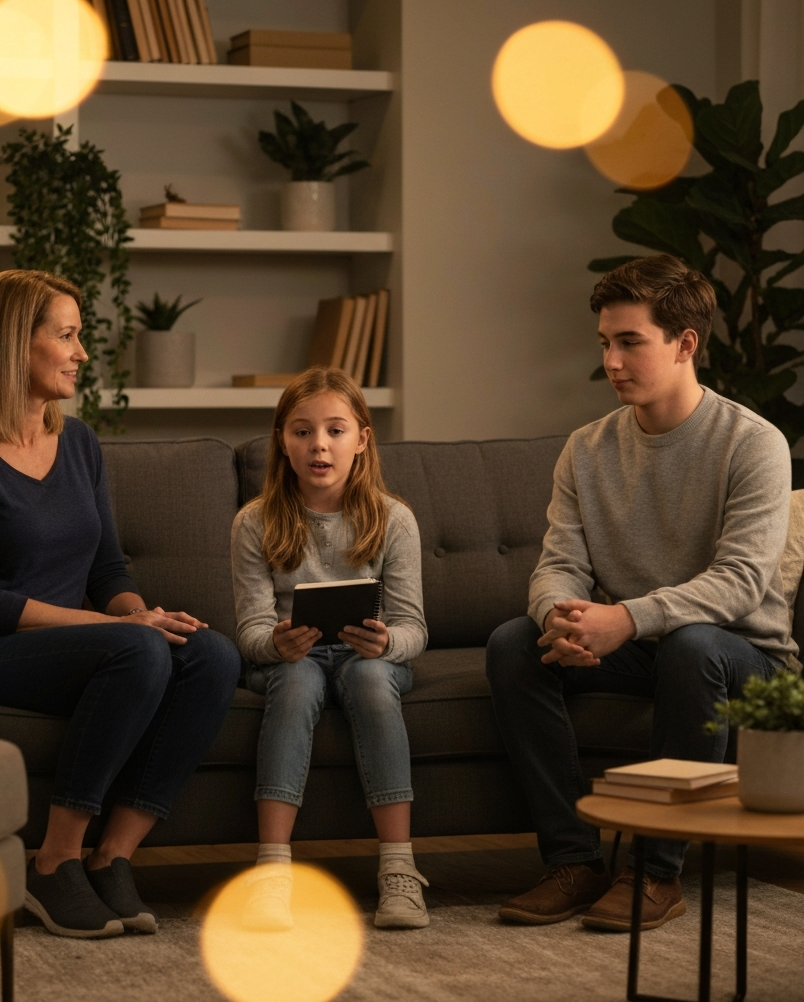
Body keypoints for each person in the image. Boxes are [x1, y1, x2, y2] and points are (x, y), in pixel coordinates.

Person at [0, 269, 241, 939]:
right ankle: (54, 861)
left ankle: (112, 855)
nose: (82, 353)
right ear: (13, 345)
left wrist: (144, 615)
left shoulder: (80, 443)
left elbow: (107, 568)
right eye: (66, 336)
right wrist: (128, 629)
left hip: (68, 647)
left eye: (79, 336)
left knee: (209, 655)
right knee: (139, 643)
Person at [486, 254, 800, 932]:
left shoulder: (754, 444)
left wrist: (628, 617)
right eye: (606, 342)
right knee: (515, 644)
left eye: (630, 341)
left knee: (692, 646)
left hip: (742, 656)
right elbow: (557, 563)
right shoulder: (586, 448)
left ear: (685, 344)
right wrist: (559, 615)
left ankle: (656, 874)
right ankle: (573, 862)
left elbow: (744, 583)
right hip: (642, 642)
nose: (613, 361)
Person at [231, 366, 430, 931]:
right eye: (301, 431)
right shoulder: (255, 522)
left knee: (368, 678)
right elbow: (249, 633)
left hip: (370, 658)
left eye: (336, 430)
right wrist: (277, 643)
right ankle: (271, 873)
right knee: (296, 683)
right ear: (282, 442)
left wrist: (388, 640)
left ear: (362, 440)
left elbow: (415, 629)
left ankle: (399, 869)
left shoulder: (394, 520)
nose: (319, 444)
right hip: (290, 661)